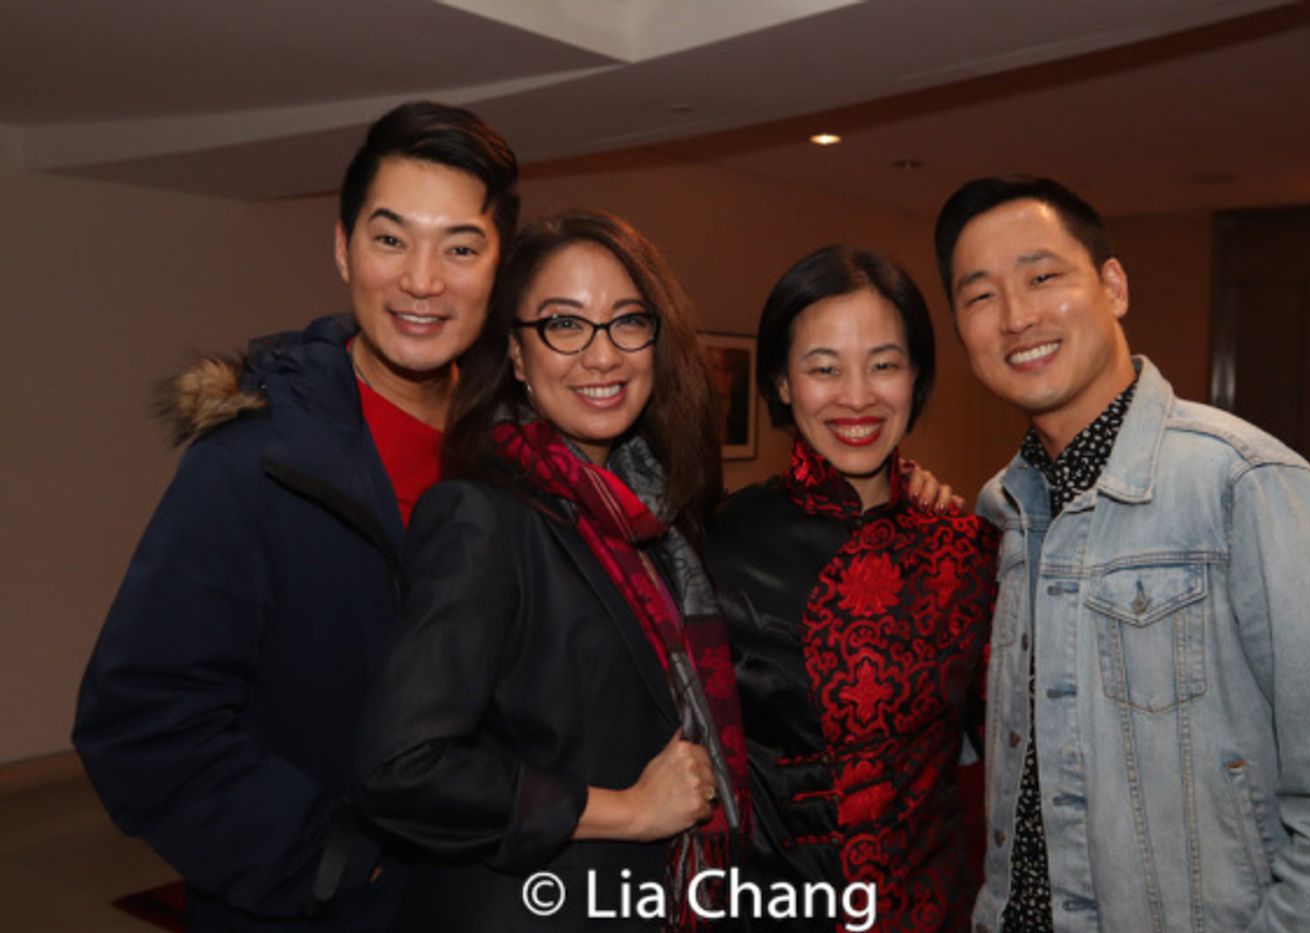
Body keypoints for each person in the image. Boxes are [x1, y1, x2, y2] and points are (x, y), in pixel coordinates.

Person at [71, 101, 519, 931]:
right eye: (391, 239)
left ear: (500, 267)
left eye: (460, 247)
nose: (423, 280)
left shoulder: (518, 454)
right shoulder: (257, 458)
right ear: (344, 248)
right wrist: (341, 860)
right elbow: (140, 722)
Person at [933, 174, 1310, 933]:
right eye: (981, 296)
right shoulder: (1005, 514)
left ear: (1113, 286)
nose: (1016, 317)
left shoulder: (1246, 485)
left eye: (1042, 277)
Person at [354, 210, 749, 931]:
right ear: (515, 352)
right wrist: (628, 810)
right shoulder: (481, 516)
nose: (602, 355)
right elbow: (402, 768)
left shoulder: (657, 519)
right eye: (564, 325)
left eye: (627, 321)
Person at [705, 245, 999, 931]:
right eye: (824, 367)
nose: (858, 396)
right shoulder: (714, 543)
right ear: (782, 383)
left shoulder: (969, 550)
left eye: (884, 364)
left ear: (917, 376)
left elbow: (1013, 759)